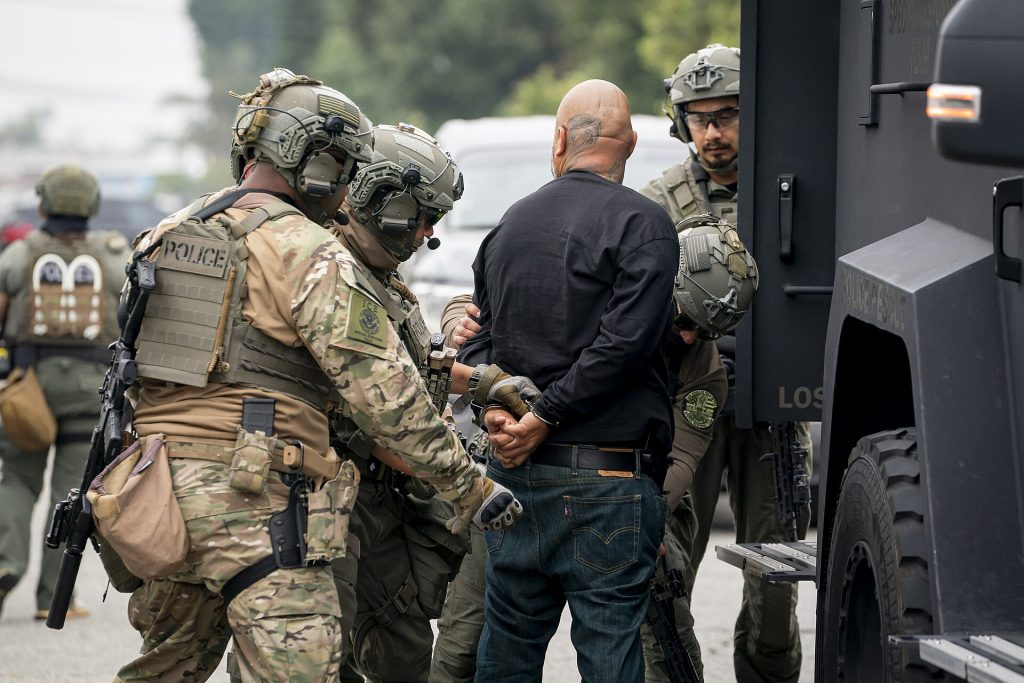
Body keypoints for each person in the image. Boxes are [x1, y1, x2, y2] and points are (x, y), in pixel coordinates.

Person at [109, 68, 521, 682]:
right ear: (319, 165)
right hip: (260, 506)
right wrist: (473, 489)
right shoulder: (307, 249)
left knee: (165, 670)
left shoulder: (165, 235)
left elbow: (130, 375)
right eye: (345, 169)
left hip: (157, 498)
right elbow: (387, 399)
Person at [462, 79, 678, 683]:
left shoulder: (509, 226)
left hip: (515, 481)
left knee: (505, 651)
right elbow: (625, 345)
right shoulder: (646, 226)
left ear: (559, 140)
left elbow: (480, 338)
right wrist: (545, 416)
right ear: (631, 144)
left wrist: (498, 414)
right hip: (606, 486)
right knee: (610, 651)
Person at [326, 122, 529, 683]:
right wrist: (470, 486)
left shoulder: (382, 278)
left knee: (404, 649)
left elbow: (409, 364)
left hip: (378, 494)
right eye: (419, 216)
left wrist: (480, 381)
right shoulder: (331, 274)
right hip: (329, 494)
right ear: (377, 200)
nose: (428, 234)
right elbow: (387, 410)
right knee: (322, 657)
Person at [639, 45, 812, 683]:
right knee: (667, 572)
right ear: (680, 122)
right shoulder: (658, 203)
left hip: (772, 411)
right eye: (699, 118)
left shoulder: (792, 194)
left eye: (728, 115)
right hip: (688, 405)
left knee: (776, 588)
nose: (713, 133)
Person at [0, 163, 130, 620]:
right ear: (92, 205)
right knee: (71, 491)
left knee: (17, 478)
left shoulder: (20, 254)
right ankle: (51, 596)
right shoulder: (114, 255)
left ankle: (4, 566)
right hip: (89, 390)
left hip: (26, 386)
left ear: (43, 202)